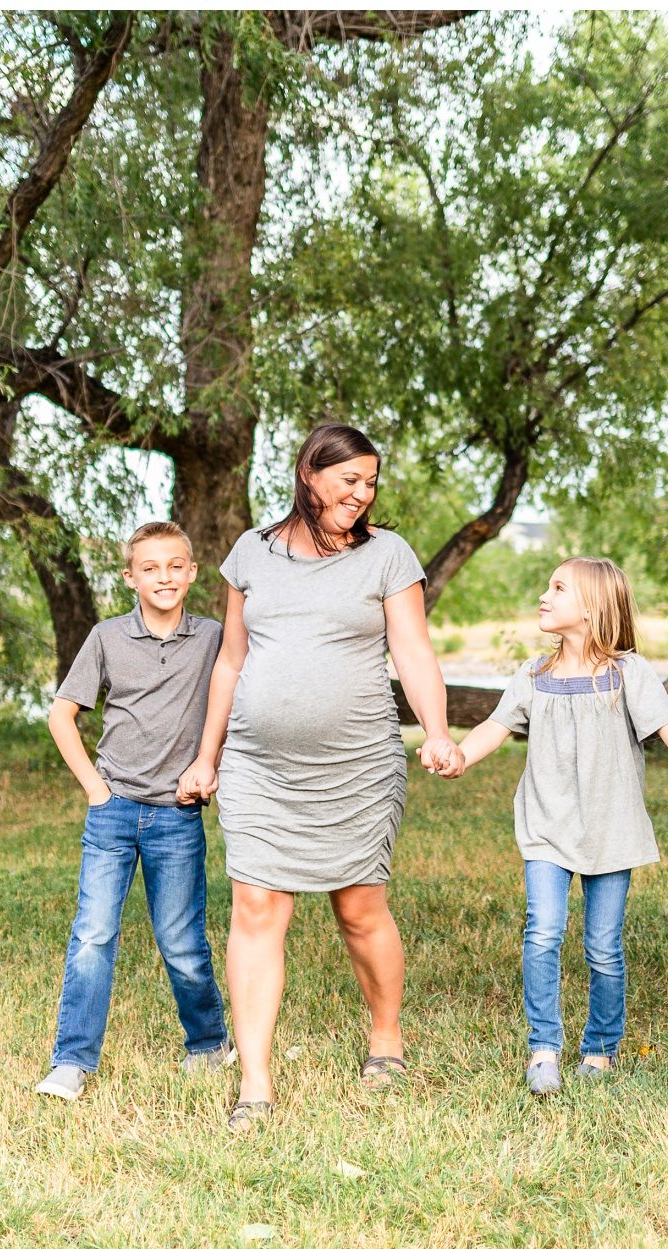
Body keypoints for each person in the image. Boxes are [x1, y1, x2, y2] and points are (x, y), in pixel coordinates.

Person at [178, 424, 459, 1133]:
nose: (361, 495)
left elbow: (414, 652)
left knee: (358, 909)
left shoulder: (387, 555)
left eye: (370, 483)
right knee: (256, 909)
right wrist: (207, 757)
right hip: (258, 765)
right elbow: (230, 662)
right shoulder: (252, 553)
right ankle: (255, 1082)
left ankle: (386, 1037)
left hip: (357, 764)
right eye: (349, 481)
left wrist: (437, 730)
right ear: (310, 475)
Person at [441, 558, 668, 1096]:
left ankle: (601, 1049)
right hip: (546, 827)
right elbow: (495, 726)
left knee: (603, 946)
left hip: (611, 829)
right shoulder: (533, 675)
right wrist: (461, 756)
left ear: (591, 608)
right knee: (542, 933)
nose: (544, 595)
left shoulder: (626, 674)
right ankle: (543, 1049)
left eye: (557, 588)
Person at [35, 521, 230, 1102]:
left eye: (176, 566)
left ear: (193, 572)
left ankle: (208, 1044)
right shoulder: (106, 637)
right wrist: (96, 790)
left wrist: (209, 764)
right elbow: (60, 715)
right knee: (93, 935)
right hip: (113, 811)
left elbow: (237, 706)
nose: (164, 577)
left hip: (177, 814)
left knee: (181, 941)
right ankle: (71, 1062)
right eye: (150, 568)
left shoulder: (215, 638)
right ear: (130, 578)